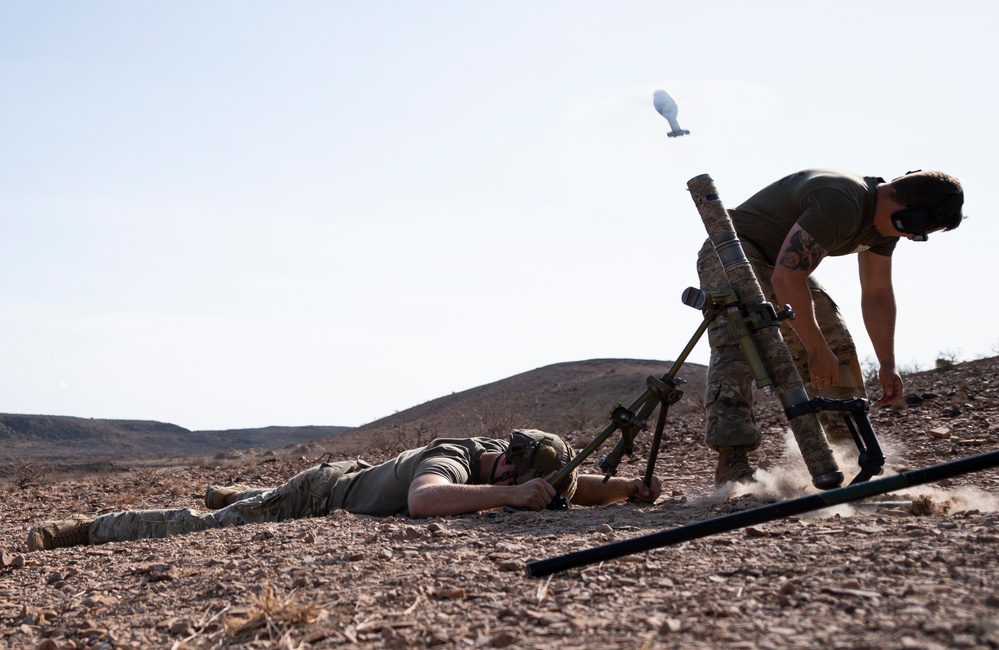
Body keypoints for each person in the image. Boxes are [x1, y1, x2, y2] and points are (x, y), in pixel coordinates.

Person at [700, 168, 964, 485]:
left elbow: (877, 293)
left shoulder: (882, 229)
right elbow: (786, 279)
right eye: (918, 231)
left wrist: (887, 363)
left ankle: (852, 458)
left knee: (836, 345)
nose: (910, 237)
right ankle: (733, 464)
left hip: (779, 263)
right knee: (743, 342)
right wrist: (814, 349)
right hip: (732, 253)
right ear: (910, 215)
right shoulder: (841, 202)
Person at [27, 429, 662, 551]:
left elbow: (566, 491)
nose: (514, 487)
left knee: (247, 501)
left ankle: (236, 490)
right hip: (323, 493)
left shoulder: (507, 471)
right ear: (504, 459)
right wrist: (508, 498)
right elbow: (422, 503)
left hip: (355, 479)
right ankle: (85, 530)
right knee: (212, 527)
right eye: (512, 478)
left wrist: (628, 487)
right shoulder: (458, 457)